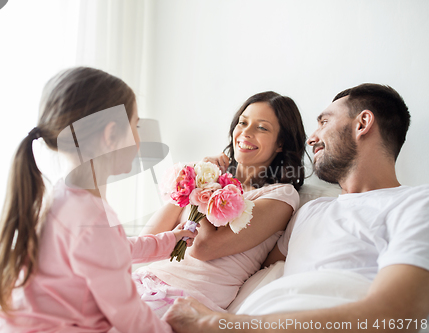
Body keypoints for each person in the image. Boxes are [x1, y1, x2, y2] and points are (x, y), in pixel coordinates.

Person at [163, 83, 429, 332]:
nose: (311, 139)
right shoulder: (309, 212)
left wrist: (219, 324)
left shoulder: (416, 204)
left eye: (324, 122)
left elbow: (397, 314)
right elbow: (237, 266)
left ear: (362, 123)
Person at [0, 67, 198, 333]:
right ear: (110, 135)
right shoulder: (91, 219)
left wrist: (171, 240)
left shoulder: (67, 197)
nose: (139, 140)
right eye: (136, 126)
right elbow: (127, 312)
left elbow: (117, 249)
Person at [135, 91, 307, 317]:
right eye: (242, 123)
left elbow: (203, 248)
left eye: (262, 127)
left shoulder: (280, 195)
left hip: (185, 300)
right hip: (144, 281)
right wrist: (198, 178)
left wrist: (205, 187)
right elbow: (149, 239)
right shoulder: (208, 179)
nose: (245, 132)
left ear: (281, 143)